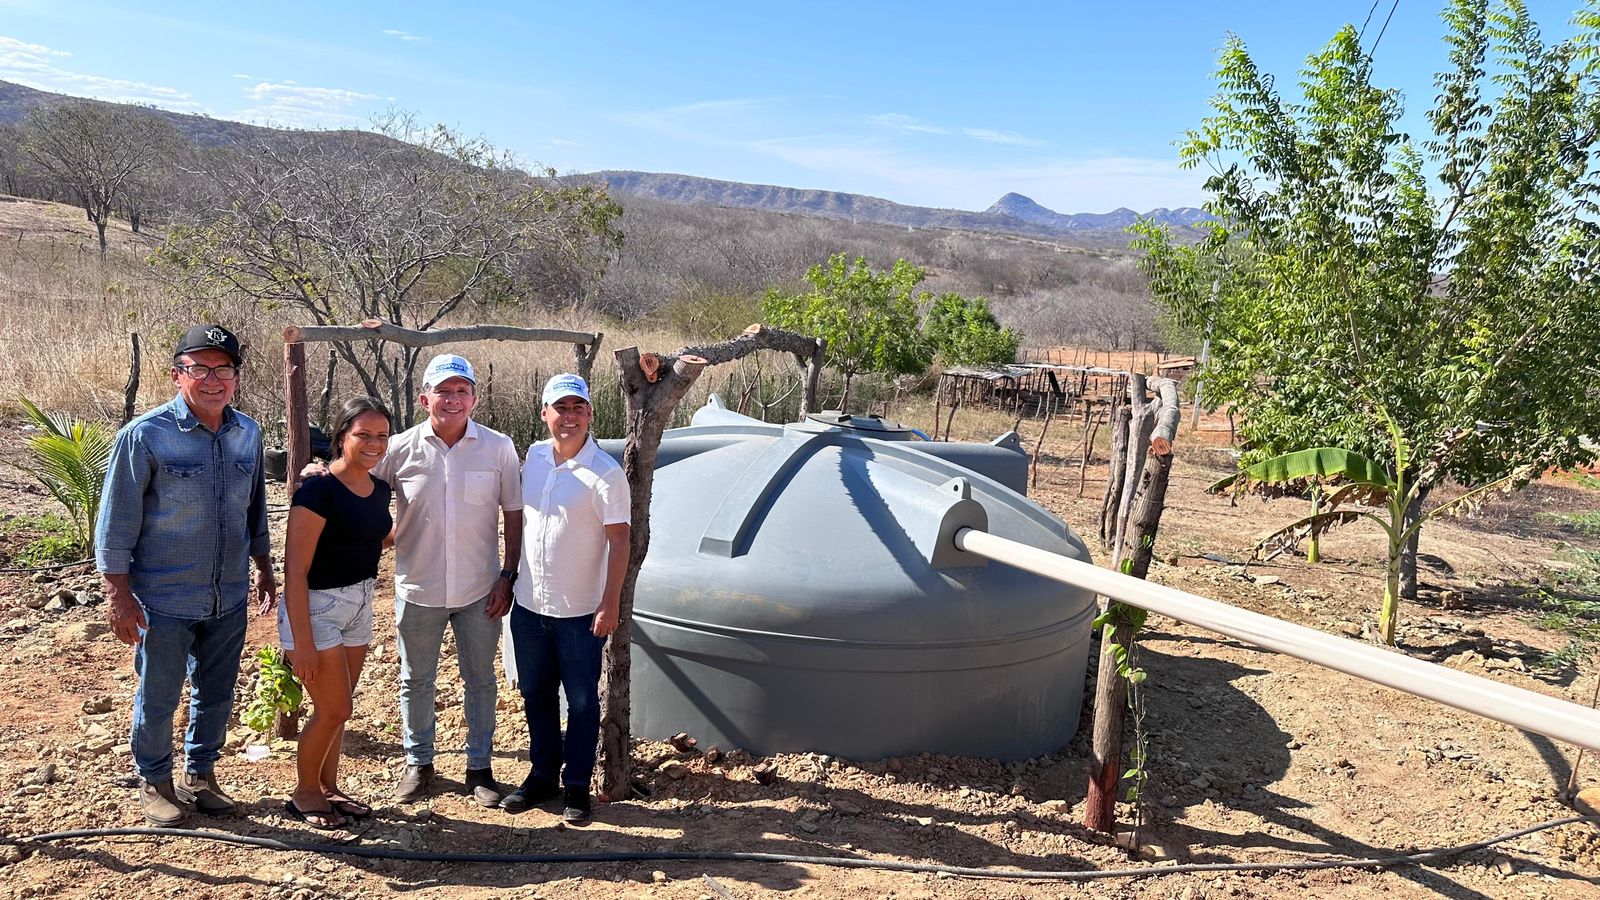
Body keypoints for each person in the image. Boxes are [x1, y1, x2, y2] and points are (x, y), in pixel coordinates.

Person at [95, 324, 276, 826]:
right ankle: (154, 781)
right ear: (178, 375)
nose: (213, 380)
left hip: (228, 595)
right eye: (200, 369)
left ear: (236, 377)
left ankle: (201, 775)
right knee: (159, 694)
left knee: (216, 692)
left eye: (223, 369)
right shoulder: (144, 436)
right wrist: (119, 595)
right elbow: (116, 521)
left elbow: (254, 508)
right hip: (163, 598)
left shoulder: (248, 432)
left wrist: (264, 566)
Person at [379, 353, 523, 807]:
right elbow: (361, 491)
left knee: (480, 680)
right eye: (443, 391)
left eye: (462, 391)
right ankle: (419, 763)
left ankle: (479, 768)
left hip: (480, 589)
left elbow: (513, 514)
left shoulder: (498, 447)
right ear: (425, 399)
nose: (453, 399)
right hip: (418, 587)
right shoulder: (399, 448)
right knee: (416, 679)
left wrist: (507, 576)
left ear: (475, 399)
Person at [501, 373, 629, 825]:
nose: (569, 416)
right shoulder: (534, 457)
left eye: (578, 408)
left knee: (581, 702)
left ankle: (576, 784)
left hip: (579, 612)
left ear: (589, 414)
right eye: (560, 408)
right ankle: (542, 777)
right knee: (535, 694)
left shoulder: (606, 473)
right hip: (529, 606)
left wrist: (610, 602)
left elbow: (620, 541)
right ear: (545, 414)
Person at [279, 397, 393, 830]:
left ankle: (328, 788)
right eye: (363, 434)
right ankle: (304, 793)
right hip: (316, 608)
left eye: (381, 435)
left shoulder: (379, 489)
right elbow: (295, 571)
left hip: (359, 603)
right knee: (334, 709)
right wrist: (302, 642)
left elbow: (371, 538)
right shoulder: (318, 491)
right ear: (342, 436)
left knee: (338, 710)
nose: (374, 443)